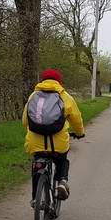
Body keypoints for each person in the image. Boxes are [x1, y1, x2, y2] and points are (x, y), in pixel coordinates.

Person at [22, 69, 85, 205]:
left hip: (36, 142)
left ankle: (35, 199)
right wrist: (80, 133)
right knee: (62, 160)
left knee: (37, 165)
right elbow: (77, 119)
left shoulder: (33, 95)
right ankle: (62, 181)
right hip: (58, 143)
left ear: (42, 81)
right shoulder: (65, 96)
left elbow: (24, 121)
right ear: (59, 81)